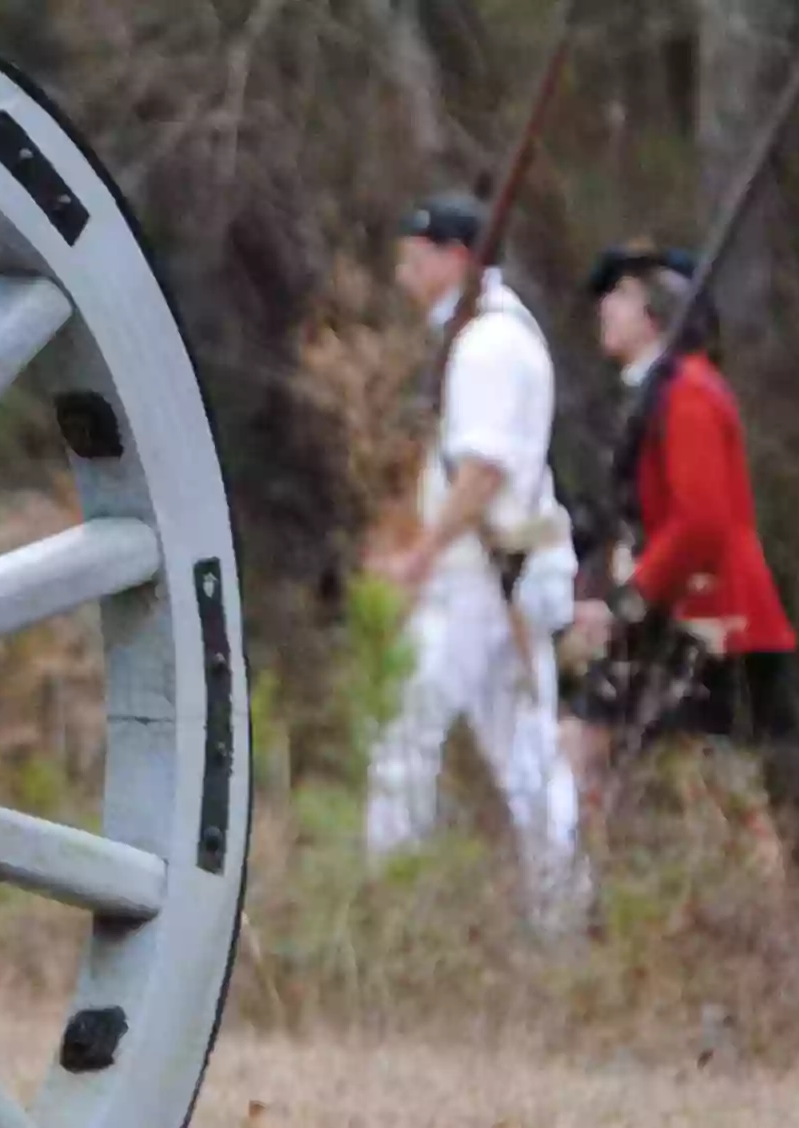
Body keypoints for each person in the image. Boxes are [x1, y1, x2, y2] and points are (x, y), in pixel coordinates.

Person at [362, 192, 590, 939]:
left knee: (407, 730)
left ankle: (389, 914)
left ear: (455, 257)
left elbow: (482, 470)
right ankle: (559, 922)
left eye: (415, 256)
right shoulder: (492, 335)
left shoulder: (488, 344)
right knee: (525, 759)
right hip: (501, 570)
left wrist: (425, 554)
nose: (403, 272)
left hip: (484, 574)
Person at [562, 246, 799, 791]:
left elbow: (700, 523)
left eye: (622, 296)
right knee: (590, 748)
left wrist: (628, 600)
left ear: (659, 313)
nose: (606, 309)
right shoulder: (658, 391)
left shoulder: (687, 392)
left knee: (716, 789)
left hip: (712, 619)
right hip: (674, 614)